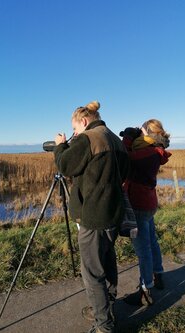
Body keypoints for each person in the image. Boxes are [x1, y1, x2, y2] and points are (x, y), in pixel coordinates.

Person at [54, 101, 129, 333]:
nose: (74, 134)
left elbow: (66, 165)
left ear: (84, 122)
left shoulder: (90, 137)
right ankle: (107, 307)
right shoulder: (114, 138)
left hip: (94, 217)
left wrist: (60, 146)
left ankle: (104, 325)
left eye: (75, 129)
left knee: (92, 272)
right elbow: (124, 173)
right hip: (113, 213)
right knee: (107, 262)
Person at [120, 119, 171, 306]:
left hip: (140, 204)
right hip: (149, 201)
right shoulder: (154, 150)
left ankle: (145, 290)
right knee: (152, 242)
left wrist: (127, 139)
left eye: (141, 131)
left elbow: (123, 158)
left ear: (149, 133)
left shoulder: (147, 153)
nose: (138, 135)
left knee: (143, 250)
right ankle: (158, 276)